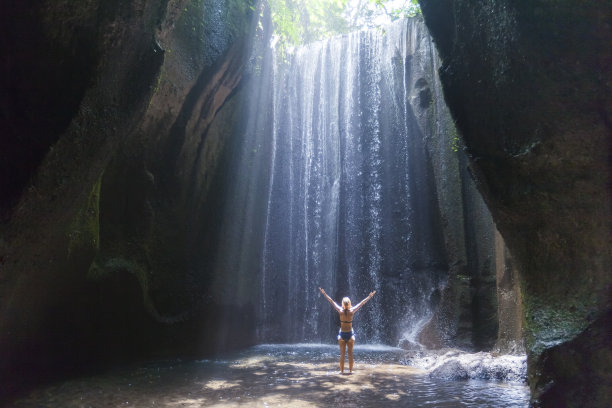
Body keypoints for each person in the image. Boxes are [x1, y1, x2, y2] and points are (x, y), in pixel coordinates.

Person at [318, 287, 376, 374]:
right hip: (350, 335)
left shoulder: (340, 310)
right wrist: (369, 296)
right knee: (350, 354)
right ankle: (351, 371)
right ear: (349, 303)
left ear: (342, 303)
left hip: (342, 335)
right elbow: (361, 303)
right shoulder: (352, 311)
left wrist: (324, 294)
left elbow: (332, 302)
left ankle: (341, 372)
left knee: (342, 355)